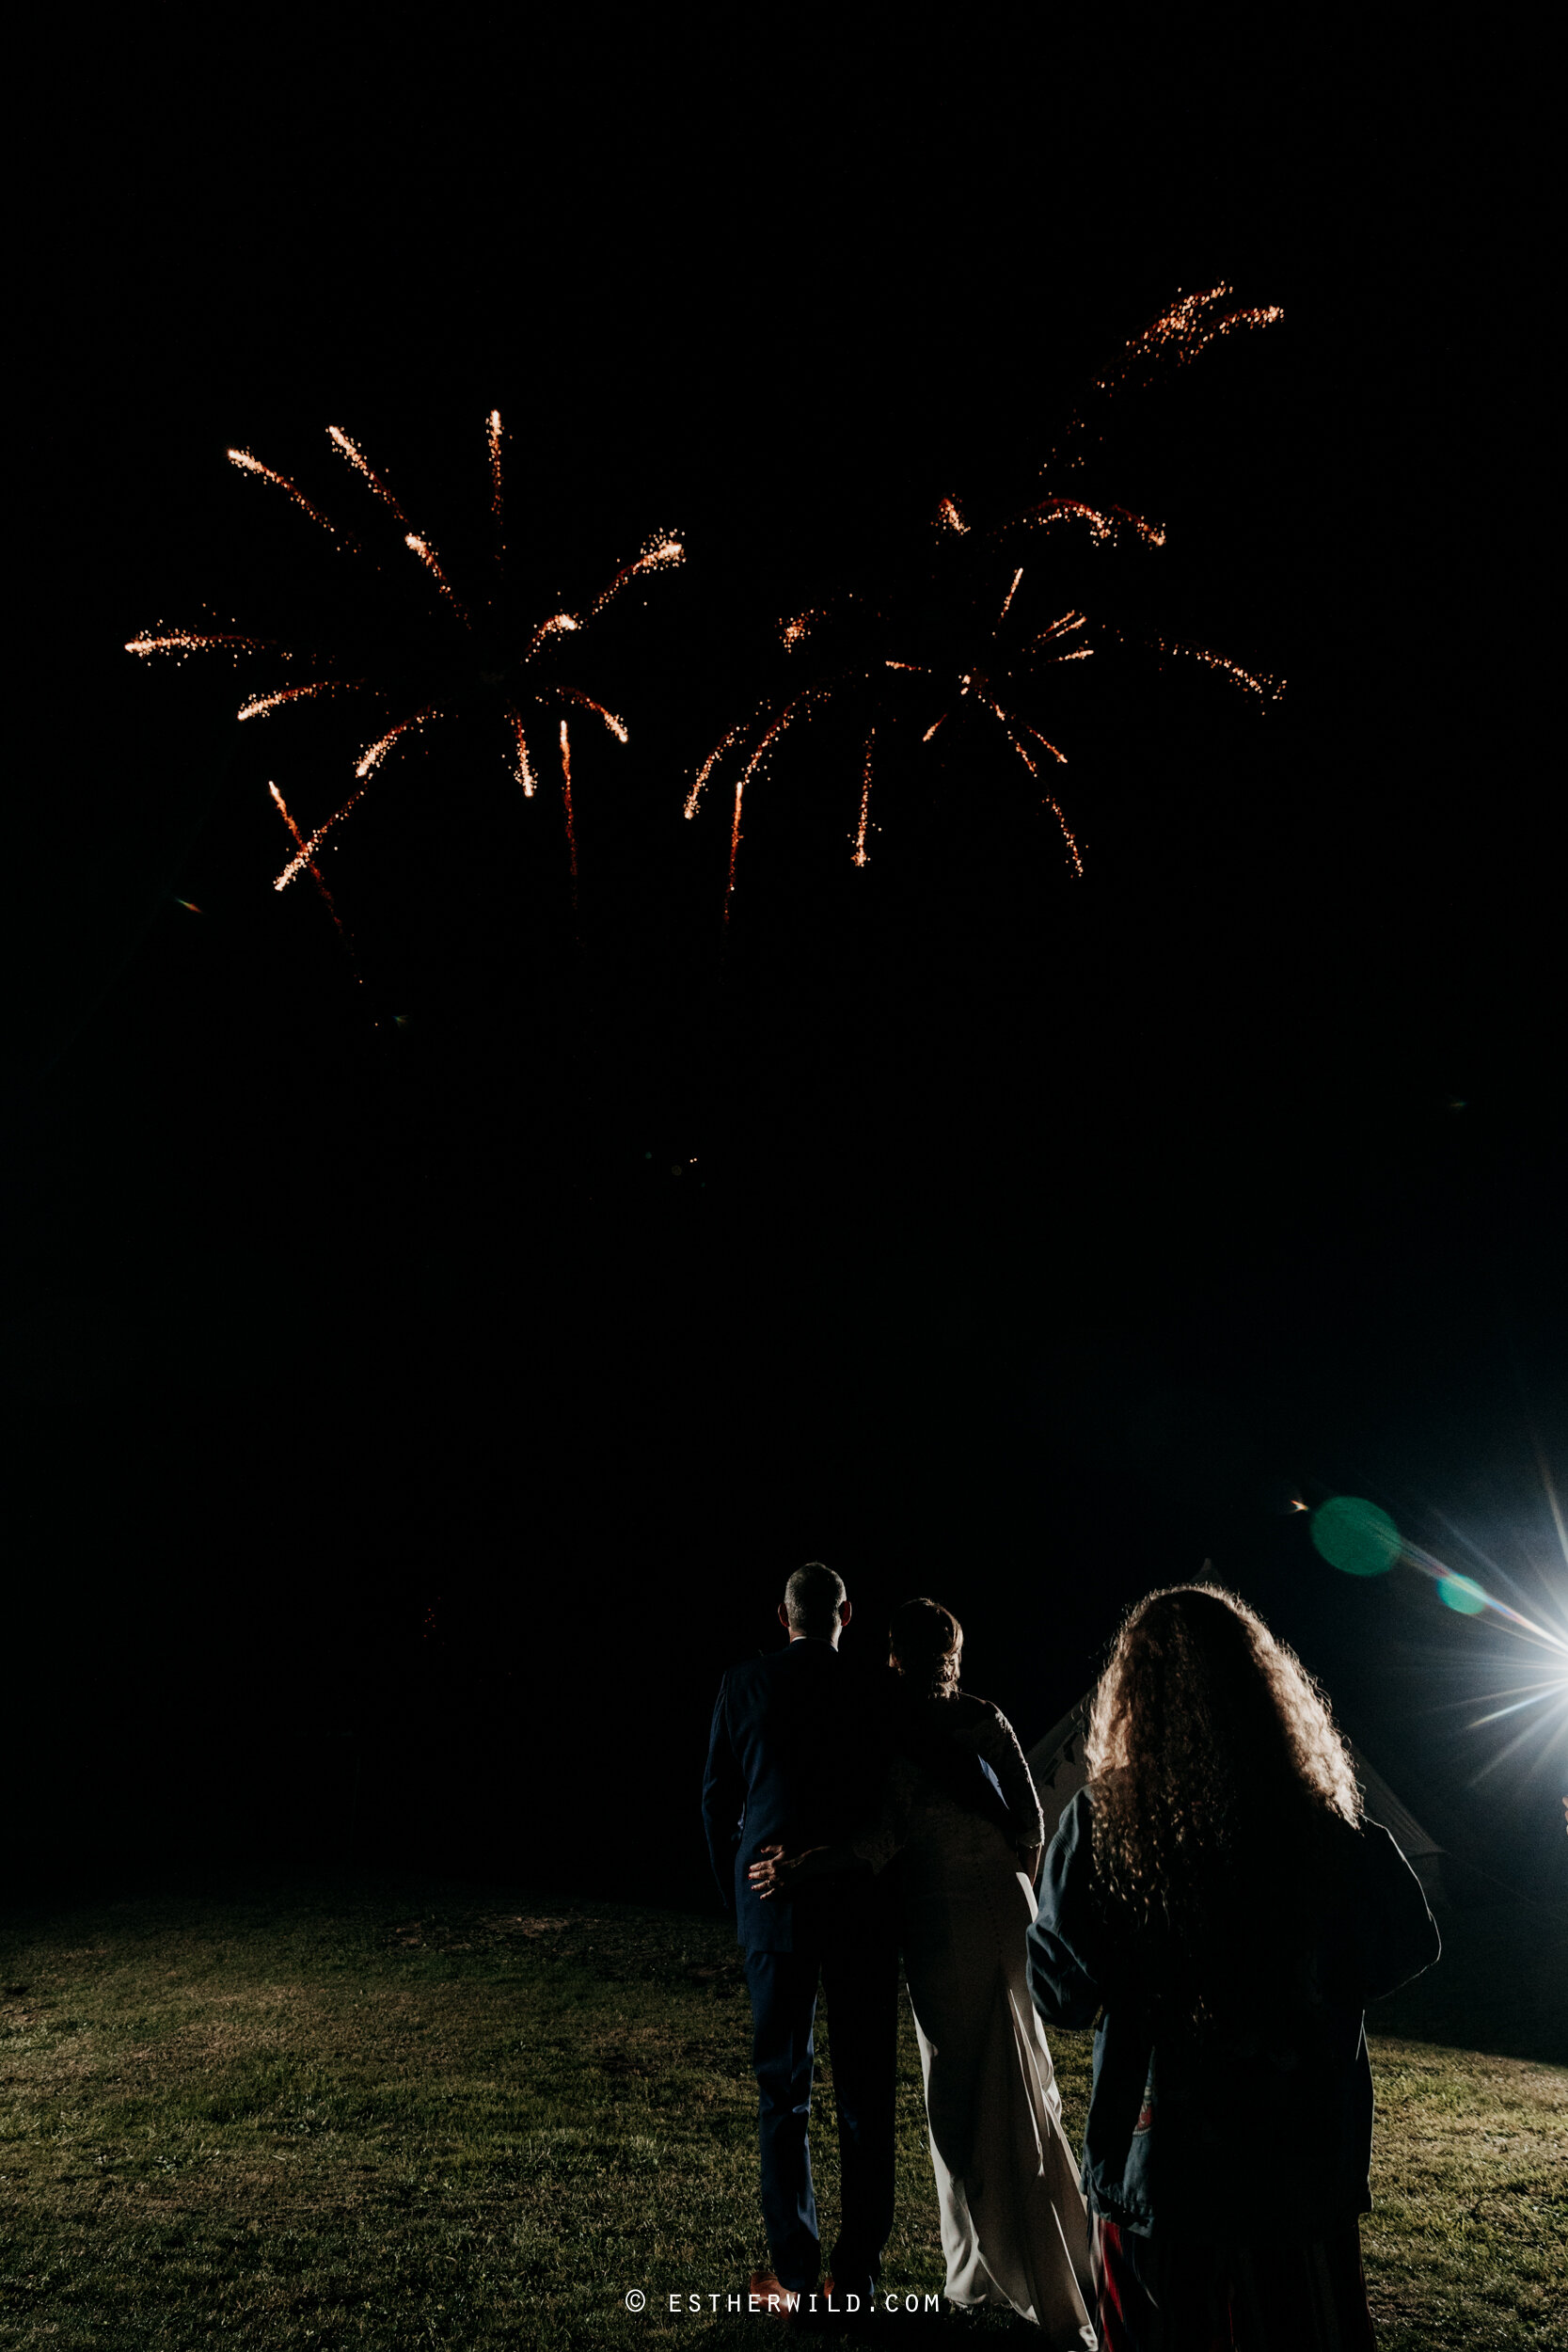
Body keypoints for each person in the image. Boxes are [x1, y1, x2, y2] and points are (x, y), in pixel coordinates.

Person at [1026, 1583, 1441, 2351]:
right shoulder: (1320, 1819)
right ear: (1261, 1688)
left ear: (1134, 1700)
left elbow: (1060, 1991)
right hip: (1299, 2159)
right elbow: (1407, 1942)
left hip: (1162, 2169)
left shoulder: (1103, 1821)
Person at [752, 1598, 1097, 2345]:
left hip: (942, 1915)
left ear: (896, 1655)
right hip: (1010, 1908)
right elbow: (1030, 1824)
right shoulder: (986, 1715)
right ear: (955, 1652)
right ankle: (1052, 2248)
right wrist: (1021, 1904)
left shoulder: (895, 1725)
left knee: (957, 2093)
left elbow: (879, 1841)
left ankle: (985, 2265)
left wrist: (805, 1865)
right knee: (1020, 2078)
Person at [702, 1561, 898, 2318]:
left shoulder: (743, 1684)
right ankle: (856, 2277)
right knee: (863, 2096)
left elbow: (716, 1800)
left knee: (783, 2092)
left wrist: (739, 1899)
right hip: (860, 1910)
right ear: (845, 1612)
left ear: (782, 1618)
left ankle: (792, 2269)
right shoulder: (875, 1688)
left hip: (772, 1909)